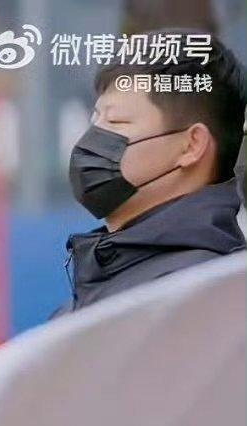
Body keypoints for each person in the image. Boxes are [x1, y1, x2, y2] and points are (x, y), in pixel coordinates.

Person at [54, 28, 247, 317]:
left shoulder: (201, 298)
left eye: (116, 122)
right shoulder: (103, 292)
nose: (90, 140)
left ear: (191, 145)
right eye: (95, 120)